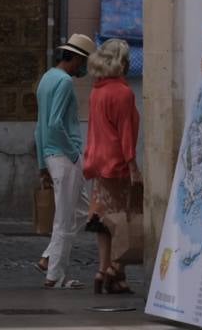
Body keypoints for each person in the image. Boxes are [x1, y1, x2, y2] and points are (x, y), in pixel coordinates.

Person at [82, 39, 141, 295]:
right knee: (122, 220)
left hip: (97, 161)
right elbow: (125, 134)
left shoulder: (97, 91)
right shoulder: (123, 93)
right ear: (123, 62)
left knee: (104, 220)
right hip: (116, 164)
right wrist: (133, 167)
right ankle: (115, 270)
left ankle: (103, 269)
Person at [35, 34, 94, 290]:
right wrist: (72, 153)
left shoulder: (47, 78)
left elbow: (40, 127)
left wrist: (41, 163)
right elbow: (54, 123)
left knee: (81, 211)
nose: (85, 67)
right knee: (65, 217)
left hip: (51, 154)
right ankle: (55, 275)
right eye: (85, 61)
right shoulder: (65, 82)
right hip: (64, 155)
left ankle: (49, 257)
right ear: (78, 58)